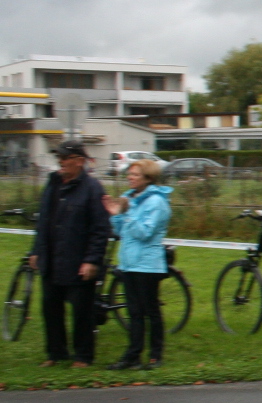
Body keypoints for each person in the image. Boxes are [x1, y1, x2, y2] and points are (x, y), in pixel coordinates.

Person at [28, 142, 110, 368]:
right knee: (50, 308)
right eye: (59, 158)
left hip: (78, 260)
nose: (61, 162)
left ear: (79, 161)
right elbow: (43, 221)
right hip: (52, 258)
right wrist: (36, 250)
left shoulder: (92, 188)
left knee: (82, 311)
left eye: (65, 158)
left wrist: (92, 260)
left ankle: (83, 356)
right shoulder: (53, 184)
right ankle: (56, 352)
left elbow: (100, 229)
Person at [102, 160, 173, 369]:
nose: (130, 177)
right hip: (129, 264)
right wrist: (115, 215)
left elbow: (145, 233)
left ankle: (155, 356)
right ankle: (132, 356)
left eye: (135, 175)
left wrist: (126, 213)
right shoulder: (131, 198)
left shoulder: (156, 202)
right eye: (129, 174)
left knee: (150, 311)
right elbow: (121, 231)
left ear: (148, 178)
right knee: (134, 312)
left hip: (147, 265)